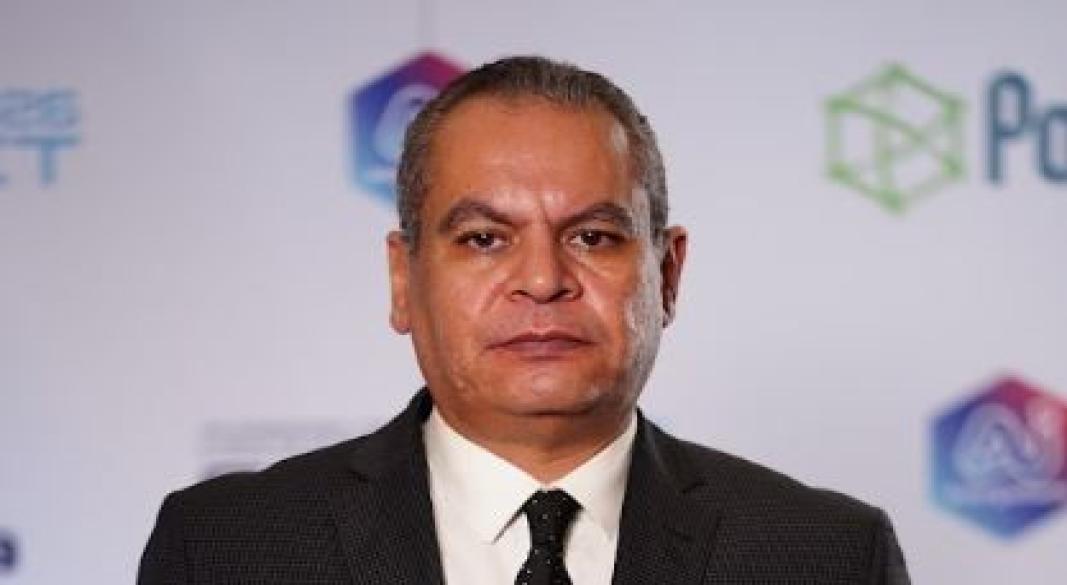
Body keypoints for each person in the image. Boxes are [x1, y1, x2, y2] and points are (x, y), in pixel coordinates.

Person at [138, 55, 910, 584]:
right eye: (483, 239)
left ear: (666, 273)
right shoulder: (228, 548)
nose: (542, 280)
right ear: (403, 278)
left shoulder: (825, 556)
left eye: (593, 237)